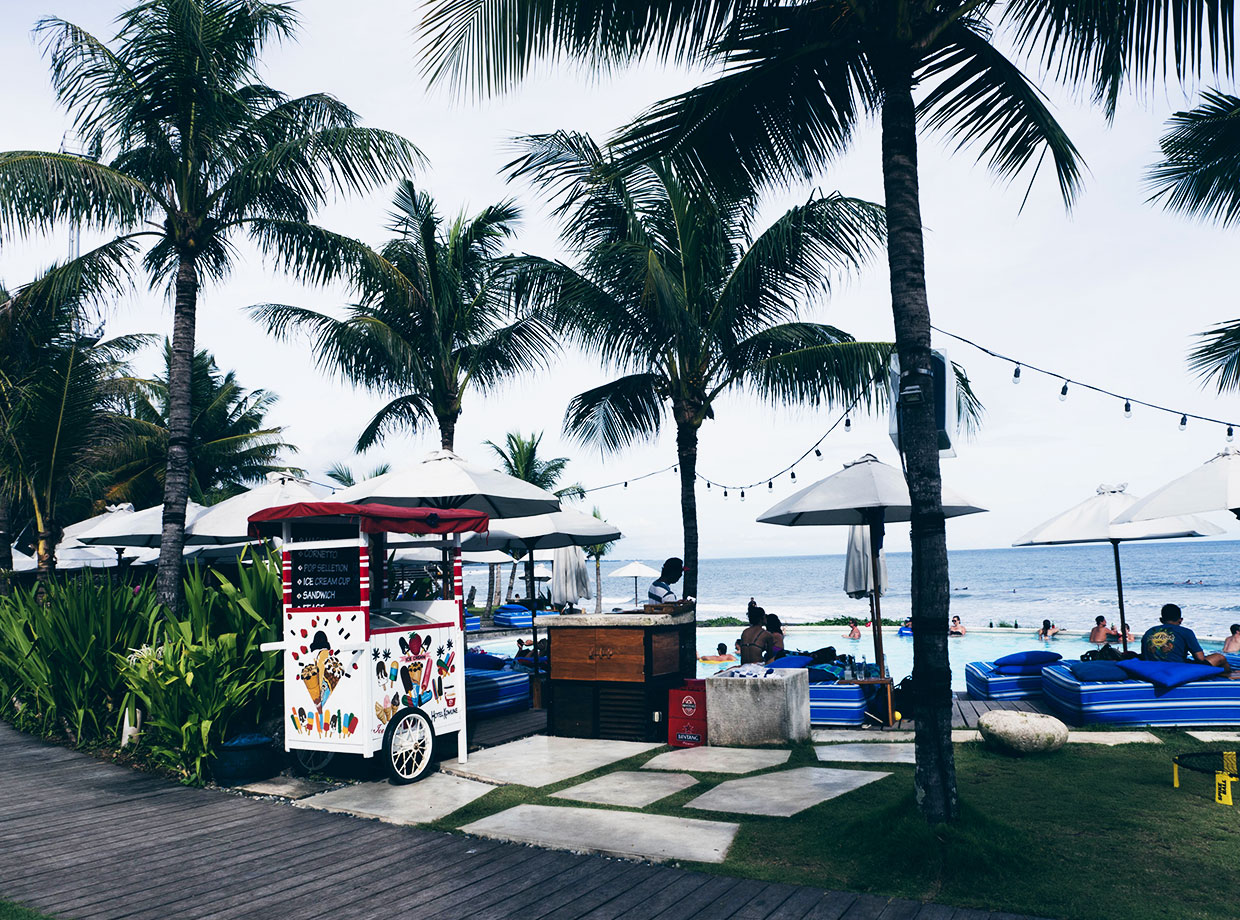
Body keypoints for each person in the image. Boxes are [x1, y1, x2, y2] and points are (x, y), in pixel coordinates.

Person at [1141, 604, 1235, 675]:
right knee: (1219, 657)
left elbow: (1144, 655)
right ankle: (1228, 675)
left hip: (1153, 669)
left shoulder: (1149, 632)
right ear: (1180, 620)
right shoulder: (1185, 632)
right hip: (1177, 670)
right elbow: (1200, 658)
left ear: (1161, 620)